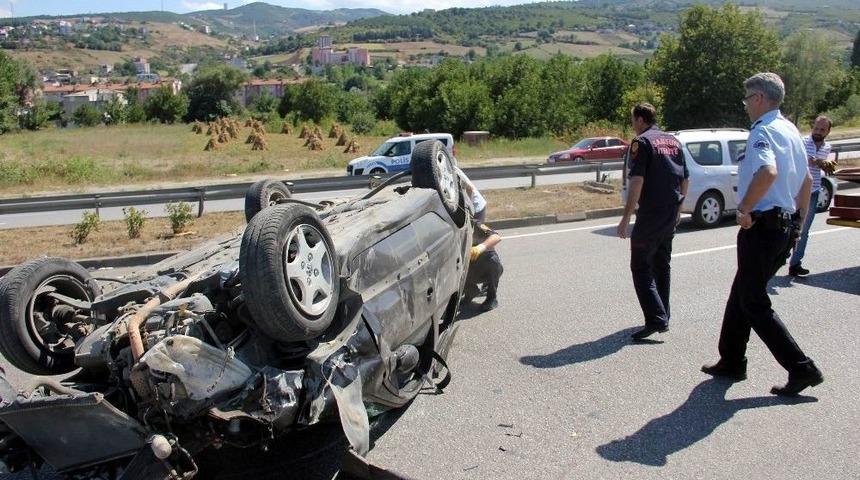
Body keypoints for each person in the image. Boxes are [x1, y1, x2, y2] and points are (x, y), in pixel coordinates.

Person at [702, 72, 823, 396]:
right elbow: (807, 182)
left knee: (753, 301)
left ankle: (801, 368)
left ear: (758, 98)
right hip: (783, 226)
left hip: (763, 226)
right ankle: (731, 359)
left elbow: (767, 172)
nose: (745, 106)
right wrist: (797, 223)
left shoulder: (763, 131)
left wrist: (743, 208)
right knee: (742, 291)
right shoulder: (791, 131)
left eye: (746, 99)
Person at [617, 103, 689, 341]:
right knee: (662, 264)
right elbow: (685, 178)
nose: (632, 125)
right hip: (669, 212)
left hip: (651, 213)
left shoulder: (643, 142)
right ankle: (663, 314)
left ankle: (656, 318)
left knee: (640, 266)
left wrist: (626, 218)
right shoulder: (673, 141)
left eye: (632, 120)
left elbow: (637, 180)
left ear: (639, 120)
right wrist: (679, 208)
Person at [787, 115, 832, 277]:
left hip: (812, 192)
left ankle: (795, 263)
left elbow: (824, 165)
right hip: (796, 190)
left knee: (804, 230)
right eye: (816, 128)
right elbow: (797, 159)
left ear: (827, 132)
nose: (818, 132)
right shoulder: (803, 141)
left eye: (822, 130)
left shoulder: (827, 147)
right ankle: (778, 257)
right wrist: (814, 161)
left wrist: (825, 165)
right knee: (786, 226)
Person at [462, 221, 503, 312]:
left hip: (483, 268)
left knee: (492, 260)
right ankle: (470, 292)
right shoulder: (448, 227)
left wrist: (479, 248)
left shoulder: (474, 224)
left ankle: (492, 298)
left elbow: (496, 237)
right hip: (466, 269)